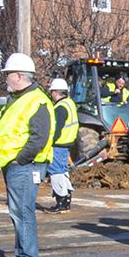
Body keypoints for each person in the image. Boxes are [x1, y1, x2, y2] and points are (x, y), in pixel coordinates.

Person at [0, 52, 56, 257]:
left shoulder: (36, 100)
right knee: (17, 211)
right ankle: (23, 256)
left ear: (19, 76)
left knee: (23, 211)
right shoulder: (18, 99)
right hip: (15, 164)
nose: (6, 79)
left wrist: (21, 159)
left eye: (8, 74)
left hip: (25, 165)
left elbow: (39, 136)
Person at [46, 76, 79, 212]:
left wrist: (48, 142)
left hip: (58, 145)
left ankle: (61, 200)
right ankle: (66, 200)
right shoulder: (70, 103)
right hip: (66, 144)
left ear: (55, 92)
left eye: (51, 92)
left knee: (56, 172)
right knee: (63, 171)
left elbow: (56, 129)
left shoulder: (60, 107)